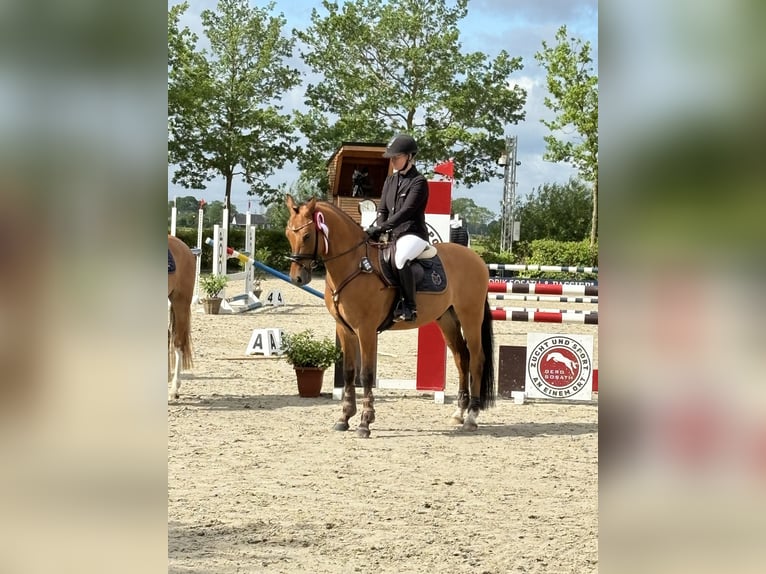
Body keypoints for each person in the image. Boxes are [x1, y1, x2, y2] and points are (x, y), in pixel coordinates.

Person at [365, 134, 429, 322]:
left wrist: (383, 227)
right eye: (391, 157)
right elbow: (382, 209)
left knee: (400, 258)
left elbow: (406, 212)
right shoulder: (390, 180)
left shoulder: (418, 182)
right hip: (392, 234)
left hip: (413, 234)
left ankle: (410, 306)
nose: (392, 161)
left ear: (409, 157)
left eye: (396, 157)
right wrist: (378, 228)